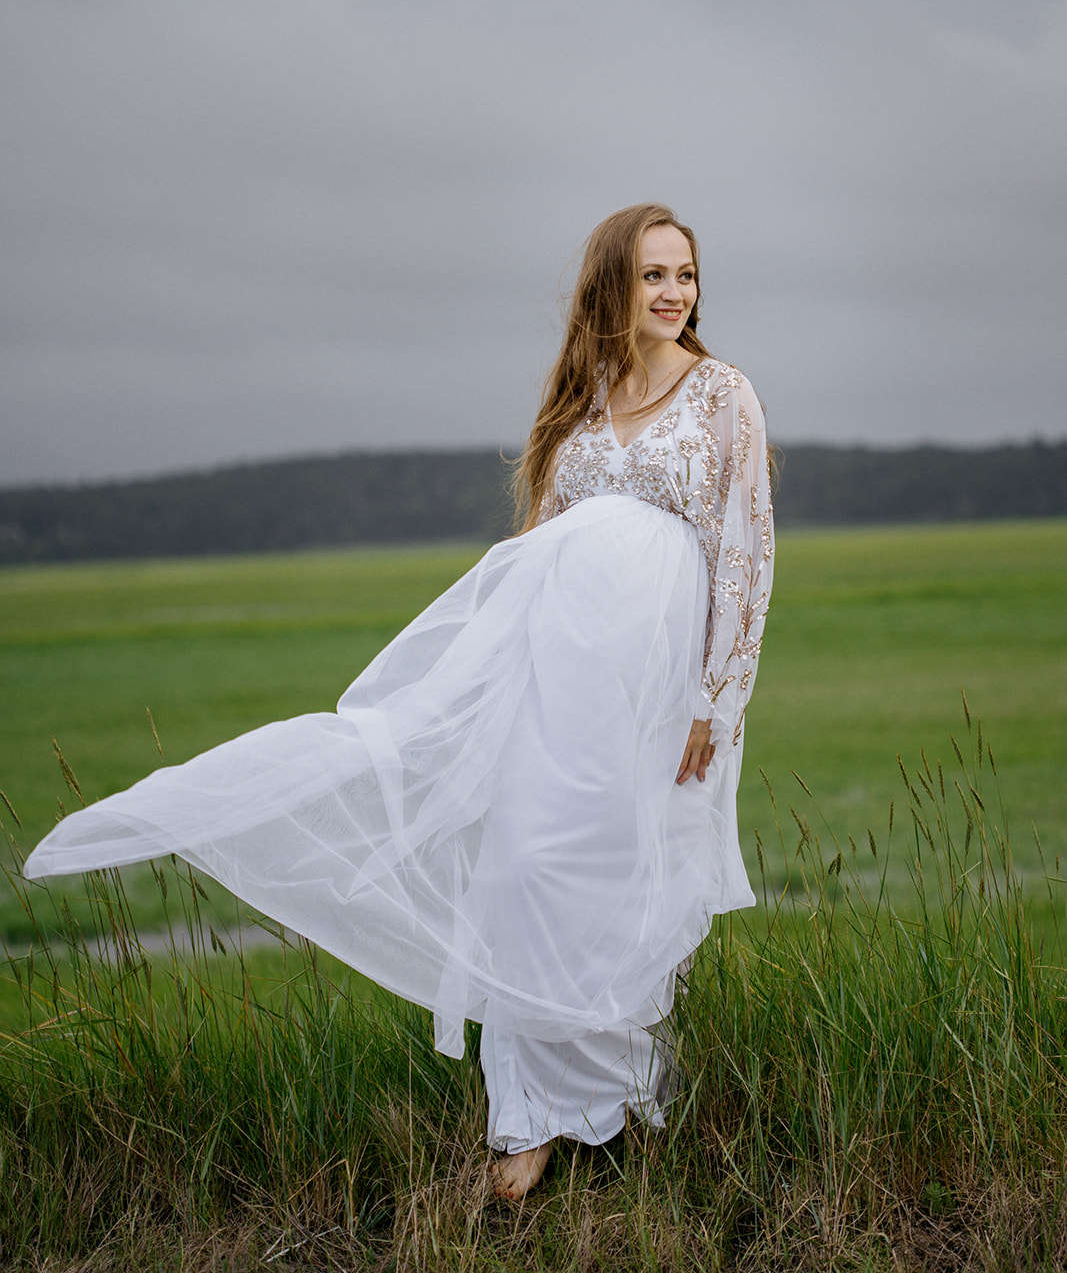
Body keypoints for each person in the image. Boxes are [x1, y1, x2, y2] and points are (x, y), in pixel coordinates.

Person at [23, 202, 773, 1201]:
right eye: (652, 276)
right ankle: (528, 1120)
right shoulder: (584, 396)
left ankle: (617, 1097)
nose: (674, 292)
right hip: (557, 678)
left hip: (657, 689)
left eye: (684, 274)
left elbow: (743, 553)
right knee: (520, 865)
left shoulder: (721, 394)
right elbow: (537, 545)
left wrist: (713, 705)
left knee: (623, 874)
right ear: (612, 288)